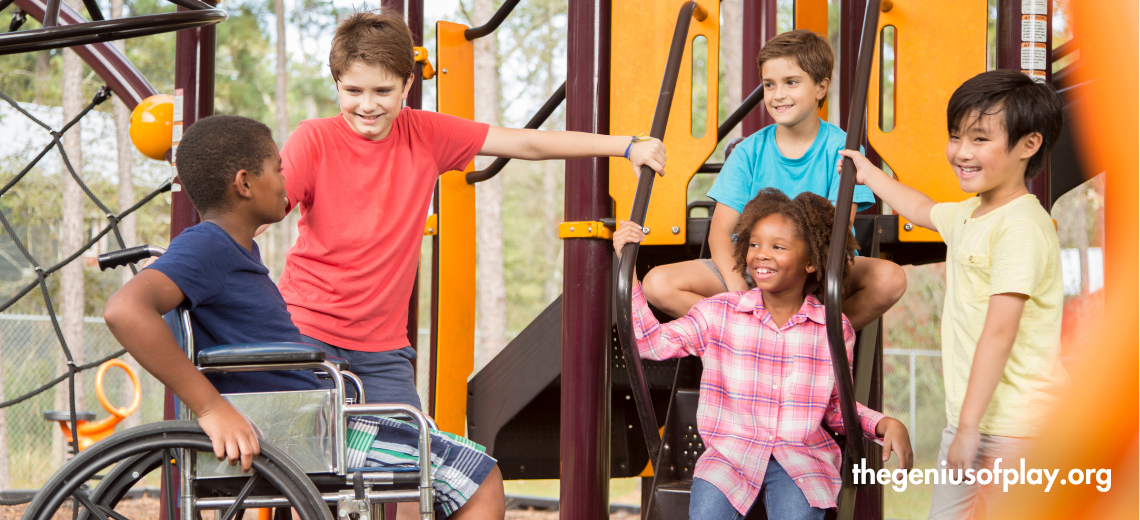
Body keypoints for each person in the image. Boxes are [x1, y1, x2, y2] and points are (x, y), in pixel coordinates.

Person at [270, 10, 666, 421]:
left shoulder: (426, 134)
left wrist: (625, 145)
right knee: (312, 458)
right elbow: (258, 213)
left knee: (408, 467)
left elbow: (525, 143)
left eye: (382, 91)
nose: (367, 105)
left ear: (407, 83)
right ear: (337, 83)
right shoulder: (314, 140)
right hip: (307, 332)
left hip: (382, 348)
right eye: (353, 90)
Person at [104, 115, 505, 520]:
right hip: (301, 431)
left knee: (441, 452)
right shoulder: (209, 245)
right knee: (479, 480)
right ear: (244, 184)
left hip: (308, 421)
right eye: (278, 168)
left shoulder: (230, 248)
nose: (286, 178)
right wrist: (211, 408)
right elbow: (124, 310)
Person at [837, 69, 1067, 520]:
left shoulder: (1021, 227)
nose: (961, 152)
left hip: (1019, 429)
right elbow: (920, 207)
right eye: (956, 136)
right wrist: (868, 174)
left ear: (1029, 145)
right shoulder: (969, 215)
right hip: (969, 422)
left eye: (980, 139)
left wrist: (968, 428)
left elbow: (999, 333)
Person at [614, 188, 913, 520]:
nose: (761, 254)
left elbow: (833, 407)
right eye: (754, 244)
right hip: (730, 457)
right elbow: (652, 344)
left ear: (813, 261)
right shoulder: (720, 313)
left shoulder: (832, 329)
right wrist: (630, 275)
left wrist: (883, 423)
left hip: (798, 458)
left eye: (778, 247)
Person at [639, 29, 905, 331]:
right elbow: (720, 234)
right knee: (657, 283)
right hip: (755, 267)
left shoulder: (842, 150)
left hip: (815, 269)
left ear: (821, 87)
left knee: (890, 278)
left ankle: (816, 335)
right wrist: (740, 295)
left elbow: (835, 232)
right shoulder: (748, 152)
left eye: (791, 82)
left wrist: (803, 274)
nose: (778, 95)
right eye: (769, 84)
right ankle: (749, 331)